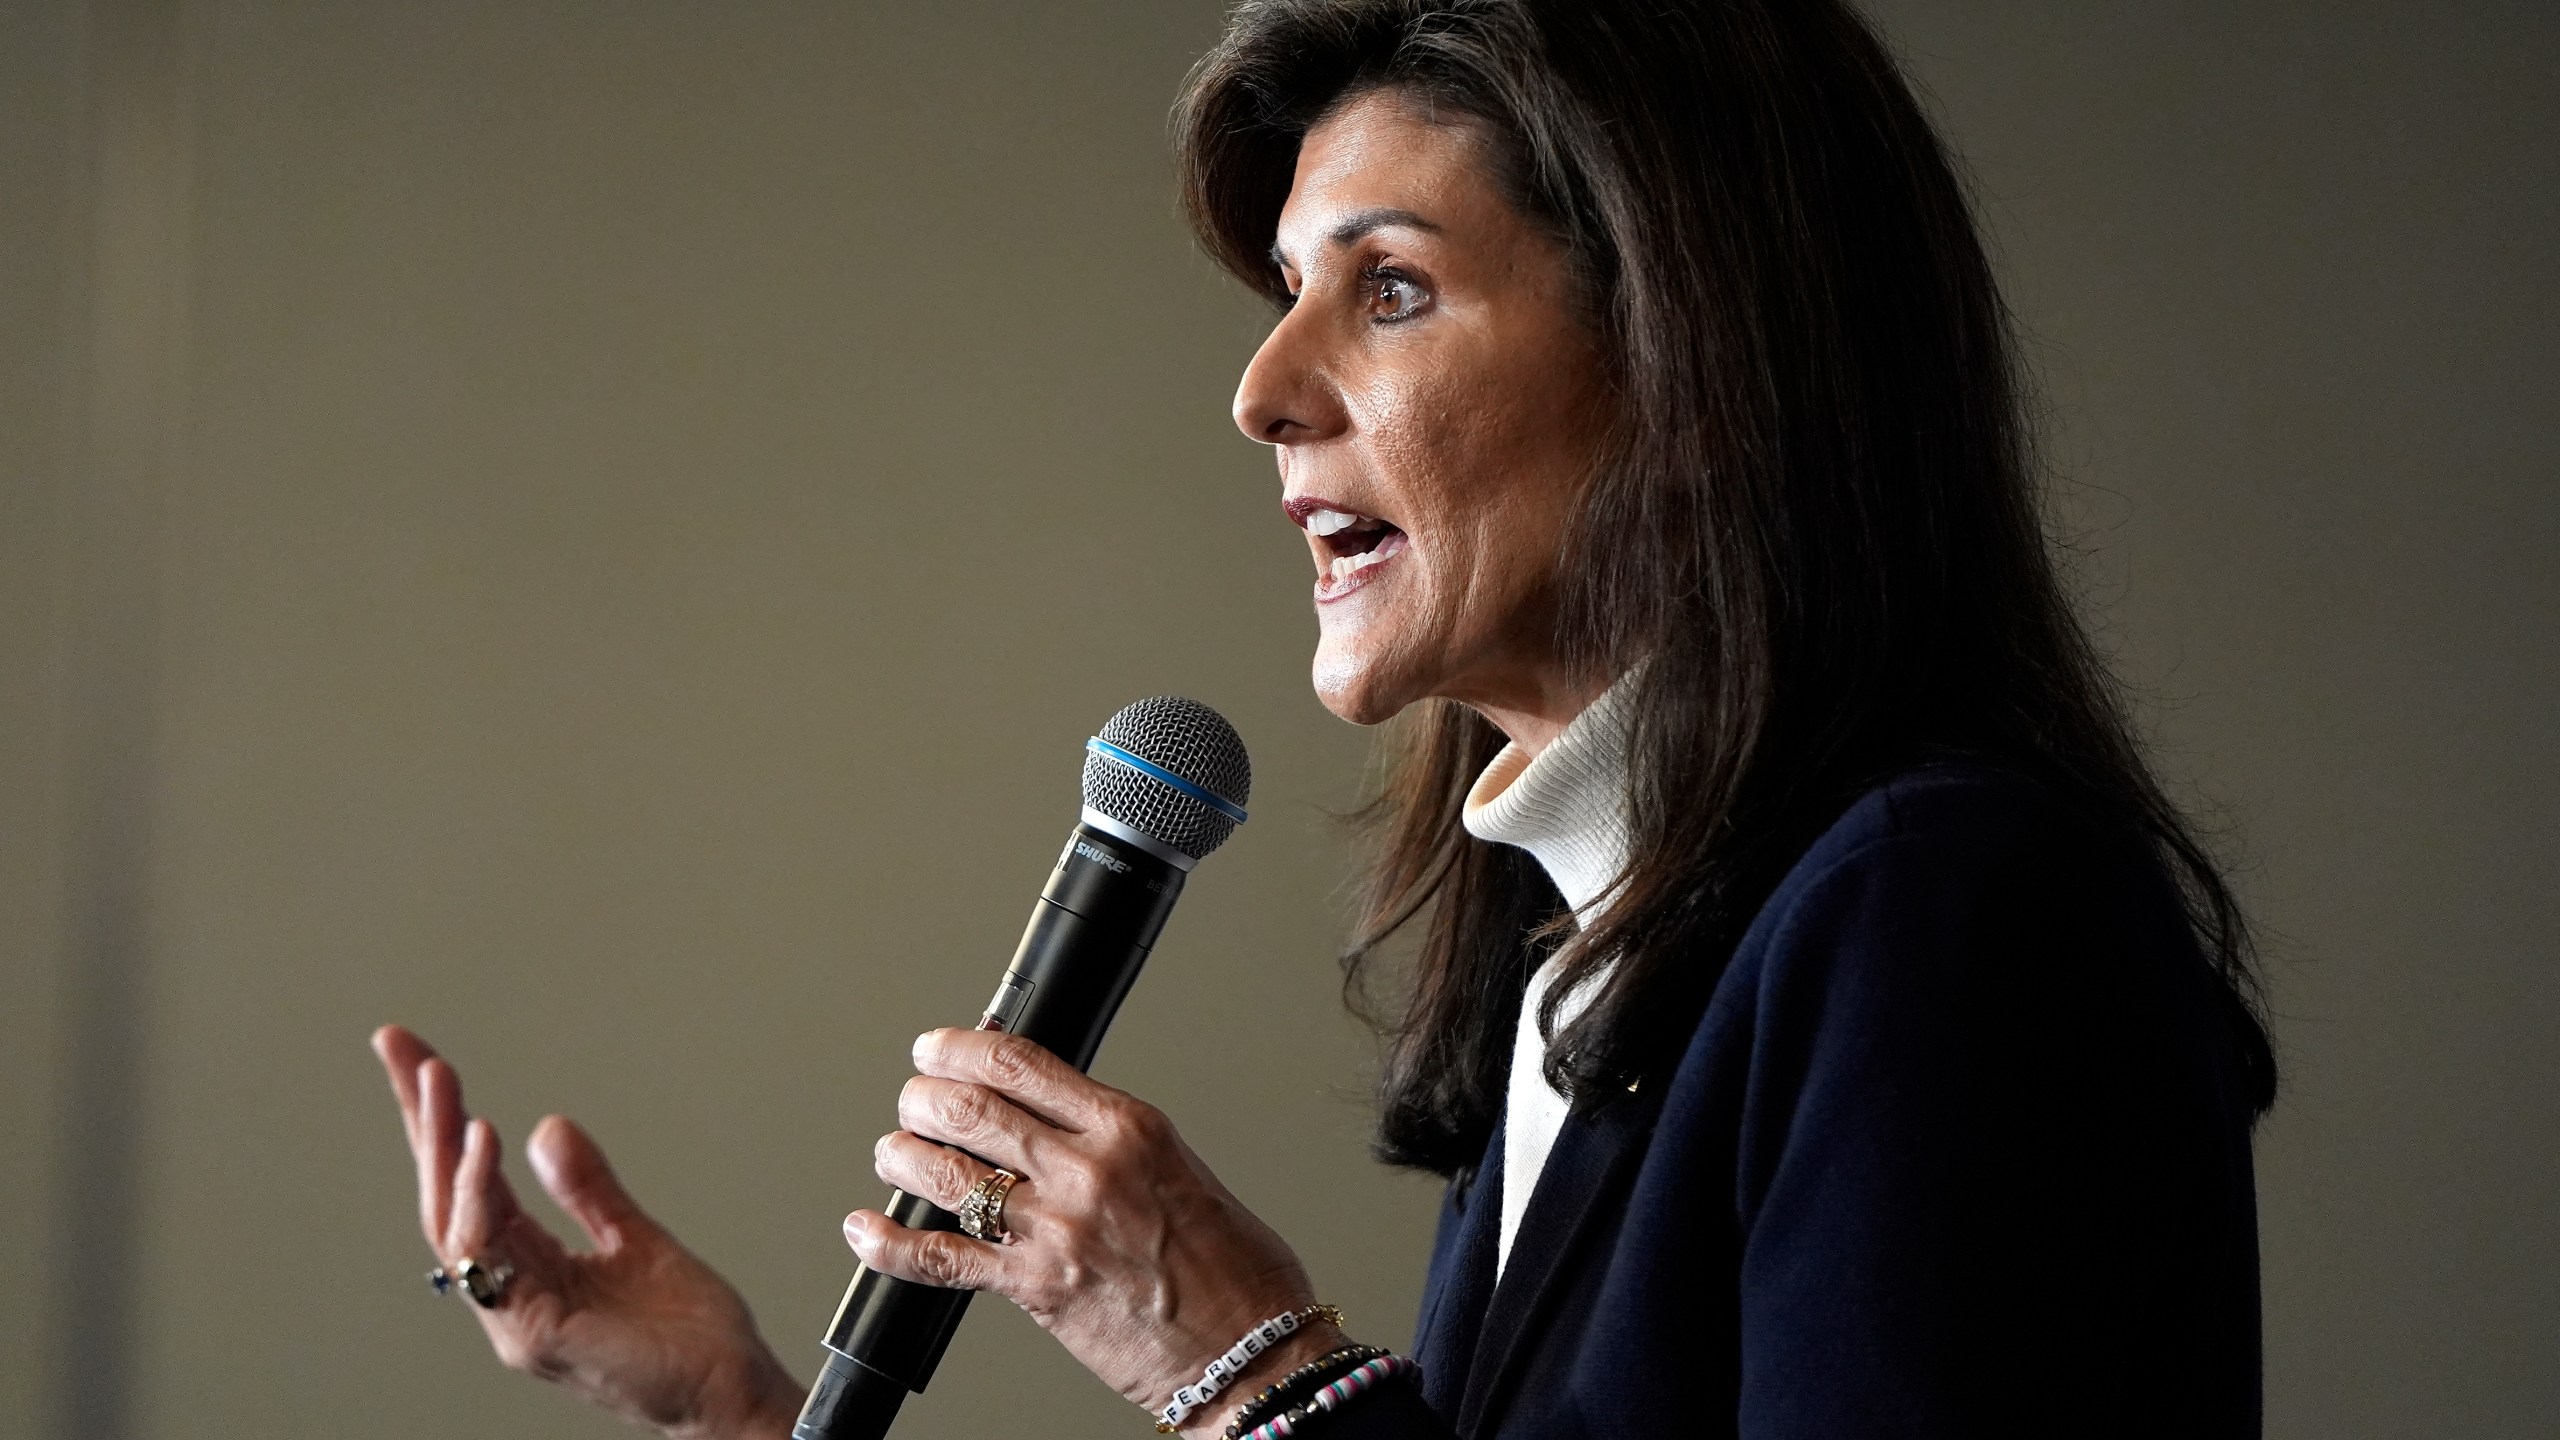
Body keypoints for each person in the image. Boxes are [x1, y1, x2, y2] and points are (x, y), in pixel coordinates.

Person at [372, 1, 2277, 1436]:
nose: (1264, 389)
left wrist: (1248, 1366)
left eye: (1389, 288)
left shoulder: (1952, 916)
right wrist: (748, 1411)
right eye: (1289, 295)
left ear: (1697, 356)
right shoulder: (1581, 964)